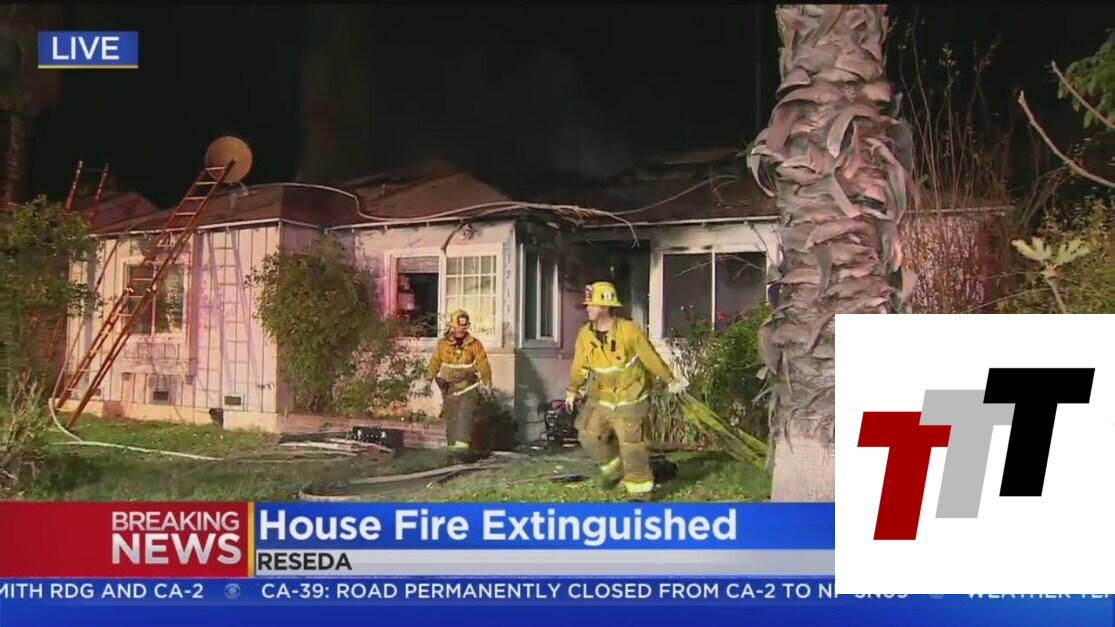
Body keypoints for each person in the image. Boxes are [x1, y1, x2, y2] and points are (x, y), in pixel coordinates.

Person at [566, 281, 687, 501]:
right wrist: (573, 390)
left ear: (604, 307)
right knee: (588, 434)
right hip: (602, 397)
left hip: (631, 397)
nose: (587, 309)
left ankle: (640, 493)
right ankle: (616, 466)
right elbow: (579, 366)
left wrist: (670, 380)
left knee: (632, 446)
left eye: (591, 305)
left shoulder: (629, 331)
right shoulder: (585, 335)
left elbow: (650, 357)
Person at [424, 309, 493, 455]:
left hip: (469, 386)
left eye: (464, 327)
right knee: (451, 417)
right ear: (452, 326)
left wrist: (487, 382)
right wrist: (428, 380)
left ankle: (462, 447)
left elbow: (483, 364)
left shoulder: (475, 345)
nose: (461, 330)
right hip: (449, 388)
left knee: (465, 414)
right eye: (459, 326)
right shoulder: (443, 345)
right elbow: (435, 362)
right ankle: (452, 448)